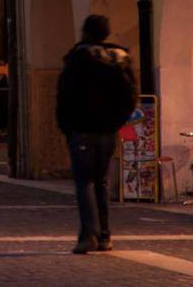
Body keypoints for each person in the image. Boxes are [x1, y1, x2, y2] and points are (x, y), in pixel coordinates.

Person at [55, 14, 136, 254]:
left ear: (86, 31)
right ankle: (104, 235)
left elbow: (65, 95)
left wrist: (66, 124)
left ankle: (88, 234)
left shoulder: (78, 59)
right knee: (101, 182)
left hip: (82, 129)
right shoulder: (120, 59)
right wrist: (117, 120)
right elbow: (131, 95)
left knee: (84, 183)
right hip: (108, 130)